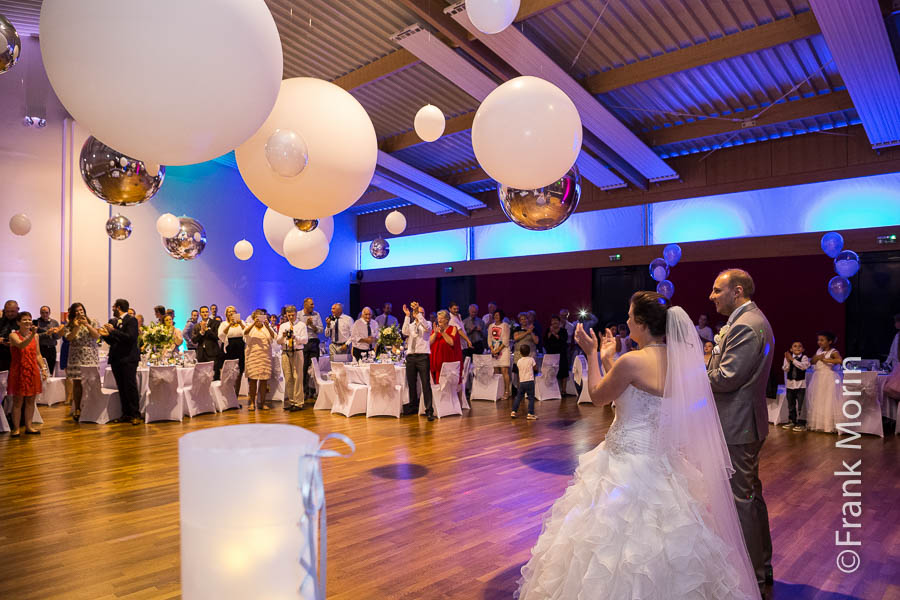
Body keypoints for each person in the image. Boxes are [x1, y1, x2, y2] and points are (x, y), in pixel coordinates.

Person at [518, 292, 759, 598]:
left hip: (622, 465)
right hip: (663, 462)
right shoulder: (682, 361)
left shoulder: (632, 361)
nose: (627, 321)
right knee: (670, 541)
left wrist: (592, 354)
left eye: (631, 316)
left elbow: (598, 396)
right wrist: (609, 360)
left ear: (642, 324)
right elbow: (632, 392)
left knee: (609, 542)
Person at [707, 268, 774, 591]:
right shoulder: (747, 321)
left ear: (737, 292)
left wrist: (685, 374)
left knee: (741, 500)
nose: (712, 296)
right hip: (742, 422)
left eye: (717, 290)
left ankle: (752, 575)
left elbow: (726, 378)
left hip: (738, 424)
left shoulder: (747, 325)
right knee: (749, 496)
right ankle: (761, 566)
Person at [99, 298, 142, 425]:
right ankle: (125, 414)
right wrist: (106, 335)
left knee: (130, 386)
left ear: (118, 307)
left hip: (128, 358)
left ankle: (135, 414)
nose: (112, 309)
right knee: (121, 387)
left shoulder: (131, 320)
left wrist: (113, 331)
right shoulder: (113, 321)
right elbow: (113, 342)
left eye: (113, 307)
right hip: (116, 358)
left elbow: (130, 338)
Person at [63, 302, 101, 423]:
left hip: (90, 355)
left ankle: (93, 407)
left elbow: (96, 336)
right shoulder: (69, 324)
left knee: (92, 381)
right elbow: (69, 338)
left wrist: (86, 324)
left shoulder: (93, 321)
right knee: (77, 383)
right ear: (73, 313)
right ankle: (78, 408)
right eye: (77, 311)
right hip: (76, 356)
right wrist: (77, 326)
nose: (80, 312)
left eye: (81, 310)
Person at [7, 312, 43, 436]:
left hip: (32, 369)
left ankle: (29, 426)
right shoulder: (13, 335)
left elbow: (38, 354)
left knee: (30, 400)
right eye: (24, 320)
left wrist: (43, 368)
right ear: (18, 322)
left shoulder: (36, 336)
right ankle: (16, 428)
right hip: (18, 370)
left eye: (29, 319)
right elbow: (22, 345)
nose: (28, 322)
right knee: (18, 401)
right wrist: (32, 334)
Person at [402, 301, 433, 420]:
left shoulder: (427, 323)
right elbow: (404, 332)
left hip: (422, 356)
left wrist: (418, 314)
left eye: (422, 313)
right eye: (418, 312)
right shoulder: (411, 325)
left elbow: (426, 327)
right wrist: (407, 316)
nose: (419, 314)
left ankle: (429, 410)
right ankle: (413, 407)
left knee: (425, 383)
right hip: (411, 356)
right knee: (411, 383)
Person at [806, 331, 842, 433]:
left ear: (829, 341)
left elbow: (839, 360)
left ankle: (828, 425)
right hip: (818, 378)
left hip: (828, 378)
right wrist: (817, 358)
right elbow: (812, 361)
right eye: (818, 340)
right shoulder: (818, 351)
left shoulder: (833, 351)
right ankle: (819, 424)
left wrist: (826, 360)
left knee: (828, 400)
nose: (819, 342)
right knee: (819, 400)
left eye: (822, 340)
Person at [277, 304, 309, 411]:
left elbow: (305, 340)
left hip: (297, 351)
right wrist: (283, 336)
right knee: (288, 377)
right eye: (289, 315)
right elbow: (278, 341)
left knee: (297, 377)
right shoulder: (283, 326)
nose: (291, 317)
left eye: (293, 315)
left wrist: (296, 337)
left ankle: (299, 402)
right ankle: (291, 401)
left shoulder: (301, 325)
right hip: (285, 352)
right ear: (286, 315)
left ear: (296, 314)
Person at [243, 309, 276, 410]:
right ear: (253, 318)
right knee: (252, 380)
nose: (259, 319)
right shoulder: (249, 327)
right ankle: (252, 402)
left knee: (264, 380)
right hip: (252, 356)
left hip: (265, 356)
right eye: (257, 317)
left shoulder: (267, 327)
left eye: (261, 317)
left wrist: (267, 326)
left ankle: (262, 402)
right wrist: (253, 324)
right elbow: (245, 333)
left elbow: (274, 337)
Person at [782, 341, 811, 432]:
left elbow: (803, 367)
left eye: (800, 346)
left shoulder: (804, 357)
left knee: (801, 405)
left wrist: (792, 359)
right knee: (791, 404)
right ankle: (792, 421)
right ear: (791, 349)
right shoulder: (788, 357)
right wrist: (787, 360)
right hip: (790, 385)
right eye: (795, 346)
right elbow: (785, 369)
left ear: (803, 349)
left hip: (801, 385)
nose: (797, 348)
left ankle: (802, 422)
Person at [217, 306, 246, 397]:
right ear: (226, 314)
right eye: (229, 312)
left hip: (240, 349)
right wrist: (230, 324)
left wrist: (240, 323)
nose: (231, 313)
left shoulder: (241, 322)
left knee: (239, 373)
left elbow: (246, 332)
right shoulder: (223, 324)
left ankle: (235, 396)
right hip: (229, 349)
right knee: (229, 373)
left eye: (233, 311)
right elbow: (221, 335)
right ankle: (227, 397)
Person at [299, 298, 323, 402]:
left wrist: (312, 325)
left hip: (313, 342)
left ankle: (314, 391)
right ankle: (304, 391)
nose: (313, 306)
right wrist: (305, 325)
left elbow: (321, 329)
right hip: (303, 343)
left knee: (314, 368)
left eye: (313, 304)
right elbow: (296, 329)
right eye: (311, 304)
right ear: (305, 304)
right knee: (303, 368)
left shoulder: (316, 315)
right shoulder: (299, 315)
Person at [430, 309, 461, 385]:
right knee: (438, 385)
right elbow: (429, 342)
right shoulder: (436, 329)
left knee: (448, 386)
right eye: (438, 318)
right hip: (437, 362)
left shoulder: (453, 328)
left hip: (448, 362)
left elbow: (451, 342)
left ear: (447, 320)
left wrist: (442, 332)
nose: (439, 320)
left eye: (441, 318)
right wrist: (435, 333)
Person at [191, 305, 222, 379]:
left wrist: (207, 330)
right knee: (202, 378)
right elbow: (194, 340)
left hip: (213, 354)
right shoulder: (196, 326)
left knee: (214, 377)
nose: (205, 313)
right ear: (200, 314)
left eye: (206, 312)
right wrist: (201, 332)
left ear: (209, 313)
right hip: (201, 354)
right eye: (203, 312)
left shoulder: (216, 323)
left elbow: (217, 337)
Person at [543, 315, 569, 395]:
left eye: (556, 321)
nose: (554, 323)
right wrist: (550, 334)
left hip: (561, 354)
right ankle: (554, 390)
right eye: (552, 321)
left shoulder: (563, 331)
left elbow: (563, 340)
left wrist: (554, 333)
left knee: (563, 372)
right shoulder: (548, 330)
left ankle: (564, 390)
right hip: (551, 354)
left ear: (559, 322)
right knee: (553, 372)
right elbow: (545, 341)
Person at [488, 310, 511, 399]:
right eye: (495, 315)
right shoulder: (491, 326)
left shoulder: (505, 326)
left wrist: (498, 350)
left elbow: (505, 340)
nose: (496, 316)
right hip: (494, 351)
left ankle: (507, 391)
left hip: (503, 350)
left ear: (501, 316)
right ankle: (499, 391)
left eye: (498, 315)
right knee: (496, 371)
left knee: (504, 371)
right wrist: (492, 349)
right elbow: (489, 339)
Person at [33, 306, 62, 375]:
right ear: (40, 313)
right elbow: (34, 336)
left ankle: (50, 383)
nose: (45, 314)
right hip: (41, 349)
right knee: (41, 369)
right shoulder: (36, 323)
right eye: (43, 313)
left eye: (46, 313)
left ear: (49, 313)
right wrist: (46, 333)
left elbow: (58, 337)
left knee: (51, 369)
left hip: (52, 349)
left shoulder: (54, 322)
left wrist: (54, 333)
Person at [511, 344, 537, 420]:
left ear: (520, 353)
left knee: (518, 397)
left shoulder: (519, 361)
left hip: (522, 382)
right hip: (530, 381)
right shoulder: (531, 359)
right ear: (529, 352)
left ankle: (513, 411)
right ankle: (530, 413)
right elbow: (535, 368)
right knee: (531, 398)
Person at [0, 299, 20, 372]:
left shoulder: (22, 321)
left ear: (18, 309)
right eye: (7, 311)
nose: (9, 314)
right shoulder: (1, 320)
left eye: (12, 311)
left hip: (16, 356)